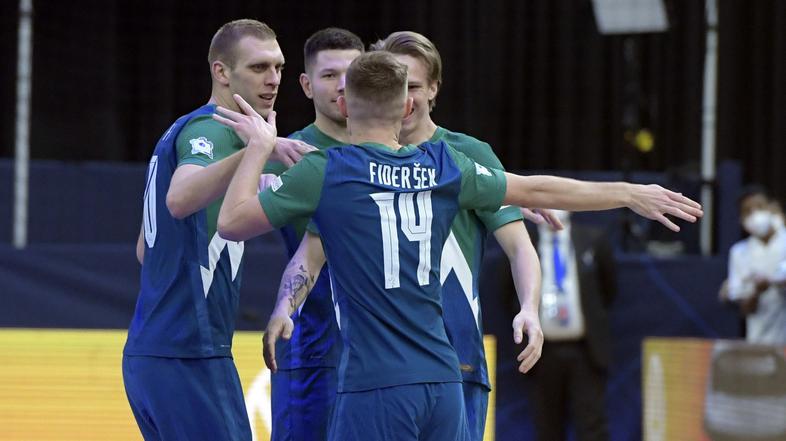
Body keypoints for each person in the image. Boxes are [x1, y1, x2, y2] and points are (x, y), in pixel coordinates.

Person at [213, 52, 702, 440]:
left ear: (344, 104)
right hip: (445, 381)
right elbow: (535, 188)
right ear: (406, 106)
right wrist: (628, 193)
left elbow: (233, 223)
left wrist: (259, 148)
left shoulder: (326, 171)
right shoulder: (444, 166)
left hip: (375, 384)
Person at [124, 19, 313, 441]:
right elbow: (179, 197)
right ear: (221, 72)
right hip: (187, 353)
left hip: (155, 354)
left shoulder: (187, 128)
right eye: (259, 67)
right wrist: (257, 150)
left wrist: (260, 153)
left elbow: (144, 249)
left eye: (279, 67)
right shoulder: (211, 130)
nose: (274, 79)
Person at [368, 31, 546, 440]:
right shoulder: (358, 159)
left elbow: (520, 247)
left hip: (456, 359)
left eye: (413, 86)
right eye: (395, 87)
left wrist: (530, 308)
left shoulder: (468, 154)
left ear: (434, 88)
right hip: (378, 368)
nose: (405, 99)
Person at [262, 27, 364, 441]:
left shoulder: (394, 152)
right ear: (305, 85)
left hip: (381, 353)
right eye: (328, 75)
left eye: (353, 73)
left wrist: (505, 200)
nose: (342, 85)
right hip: (311, 350)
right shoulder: (286, 156)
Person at [522, 210, 616, 441]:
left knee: (591, 426)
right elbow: (508, 293)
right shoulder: (524, 244)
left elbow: (609, 289)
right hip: (542, 354)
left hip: (585, 350)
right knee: (547, 427)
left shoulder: (593, 239)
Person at [726, 187, 786, 345]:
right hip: (760, 344)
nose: (755, 215)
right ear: (741, 219)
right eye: (747, 211)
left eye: (760, 207)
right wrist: (757, 291)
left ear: (773, 207)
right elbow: (745, 309)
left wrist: (776, 282)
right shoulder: (739, 252)